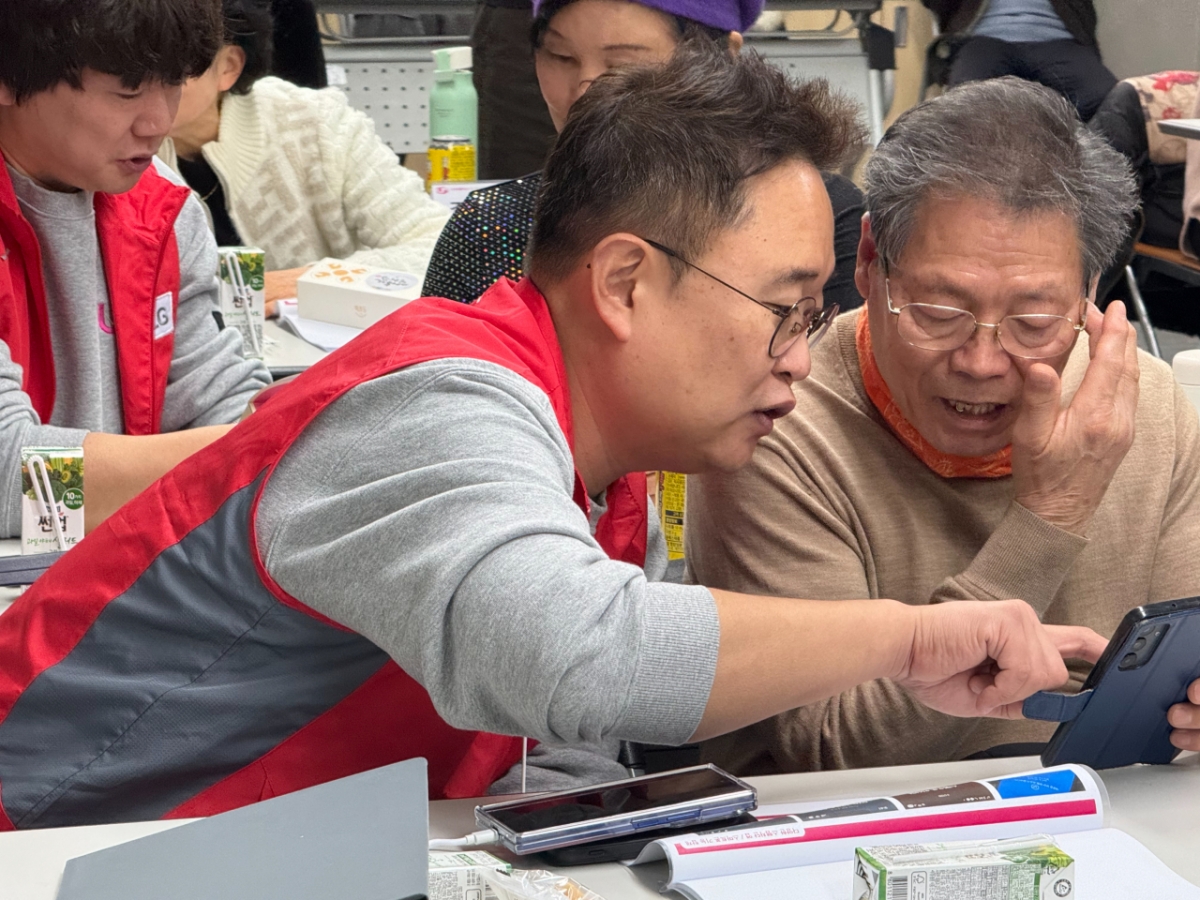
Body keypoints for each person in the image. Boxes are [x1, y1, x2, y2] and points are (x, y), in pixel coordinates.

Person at [0, 49, 1104, 829]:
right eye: (785, 307)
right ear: (624, 282)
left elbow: (560, 742)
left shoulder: (603, 463)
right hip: (72, 844)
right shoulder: (435, 401)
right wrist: (909, 642)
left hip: (287, 846)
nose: (799, 356)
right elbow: (575, 654)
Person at [687, 77, 1200, 776]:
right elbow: (837, 750)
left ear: (1090, 292)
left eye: (1034, 321)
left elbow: (1165, 696)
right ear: (869, 264)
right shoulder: (775, 423)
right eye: (938, 310)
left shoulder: (1148, 406)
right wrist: (1051, 515)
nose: (983, 361)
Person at [0, 0, 271, 538]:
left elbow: (221, 399)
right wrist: (259, 447)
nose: (158, 122)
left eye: (173, 84)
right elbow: (12, 483)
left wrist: (268, 434)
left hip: (111, 573)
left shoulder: (165, 212)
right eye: (127, 90)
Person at [421, 0, 867, 315]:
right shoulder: (490, 228)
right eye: (560, 56)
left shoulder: (823, 221)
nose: (585, 88)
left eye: (622, 66)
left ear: (722, 60)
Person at [160, 0, 451, 311]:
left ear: (228, 66)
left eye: (171, 63)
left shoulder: (316, 123)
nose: (146, 82)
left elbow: (440, 246)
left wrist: (315, 282)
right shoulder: (112, 148)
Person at [922, 0, 1115, 122]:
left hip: (1060, 38)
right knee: (963, 109)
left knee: (1112, 103)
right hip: (985, 39)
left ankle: (1108, 182)